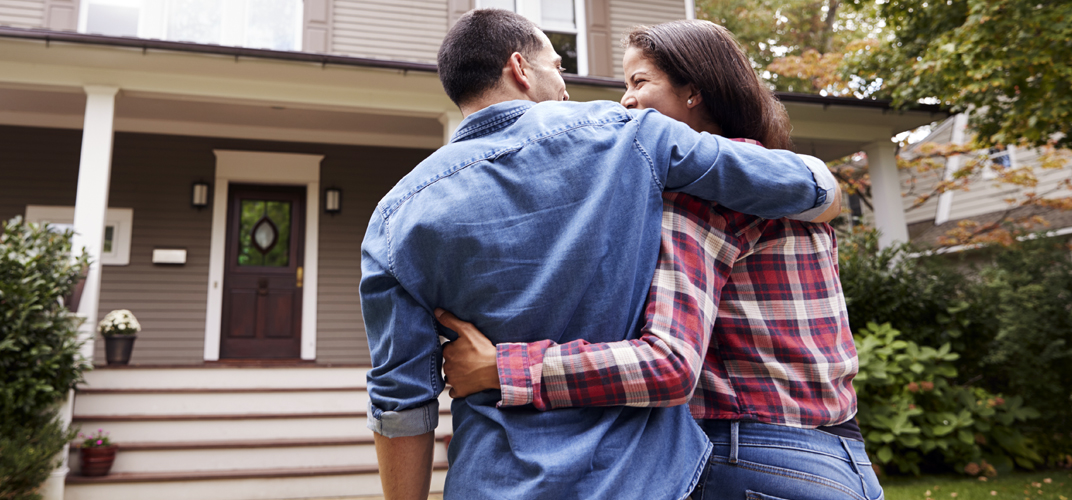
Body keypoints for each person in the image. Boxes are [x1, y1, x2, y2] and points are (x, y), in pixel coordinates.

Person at [360, 10, 840, 500]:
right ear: (520, 69)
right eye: (558, 68)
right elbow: (806, 187)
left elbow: (401, 402)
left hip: (491, 482)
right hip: (638, 481)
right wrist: (826, 190)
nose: (566, 86)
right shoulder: (631, 134)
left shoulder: (394, 216)